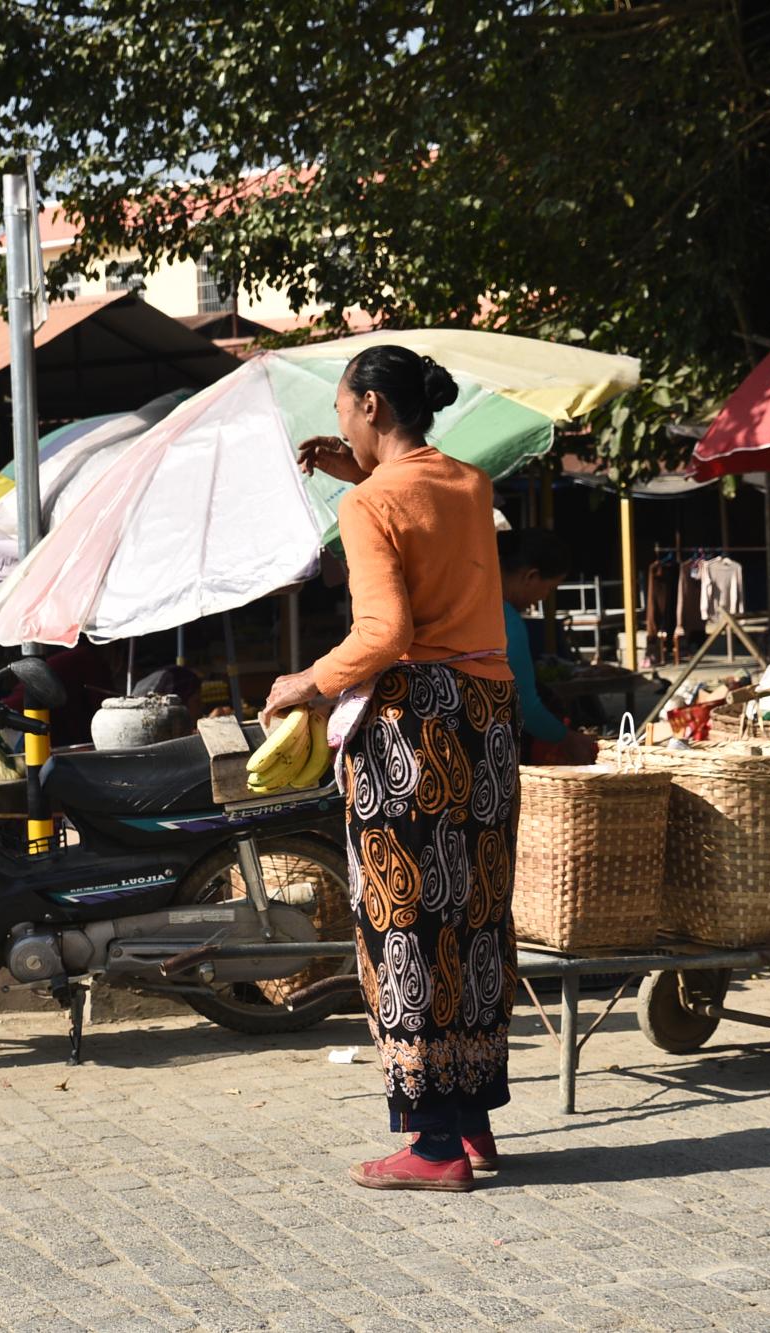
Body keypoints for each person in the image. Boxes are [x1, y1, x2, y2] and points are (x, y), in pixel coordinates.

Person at [261, 344, 518, 1193]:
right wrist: (356, 475)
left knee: (405, 921)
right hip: (484, 722)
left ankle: (434, 1145)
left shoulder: (370, 504)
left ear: (370, 405)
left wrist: (304, 681)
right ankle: (472, 1122)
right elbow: (434, 537)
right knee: (473, 916)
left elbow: (384, 634)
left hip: (410, 727)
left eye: (341, 412)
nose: (338, 428)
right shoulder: (471, 483)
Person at [498, 528, 599, 764]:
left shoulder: (467, 599)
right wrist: (569, 739)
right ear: (531, 576)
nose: (544, 597)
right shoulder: (505, 619)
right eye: (550, 588)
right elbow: (525, 706)